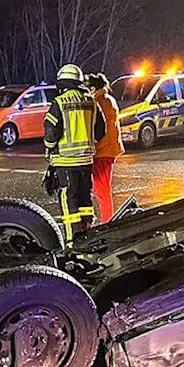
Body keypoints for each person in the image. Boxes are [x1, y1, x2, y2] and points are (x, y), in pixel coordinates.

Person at [43, 64, 105, 238]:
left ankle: (72, 240)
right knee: (85, 198)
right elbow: (101, 131)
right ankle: (88, 234)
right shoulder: (92, 102)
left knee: (69, 199)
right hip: (86, 161)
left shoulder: (60, 102)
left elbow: (51, 131)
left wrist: (49, 147)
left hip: (65, 161)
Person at [86, 73, 124, 223]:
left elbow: (101, 130)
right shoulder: (107, 99)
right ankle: (107, 219)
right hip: (108, 149)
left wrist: (94, 148)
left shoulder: (100, 102)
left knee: (101, 190)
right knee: (101, 189)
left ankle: (107, 222)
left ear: (94, 88)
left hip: (103, 151)